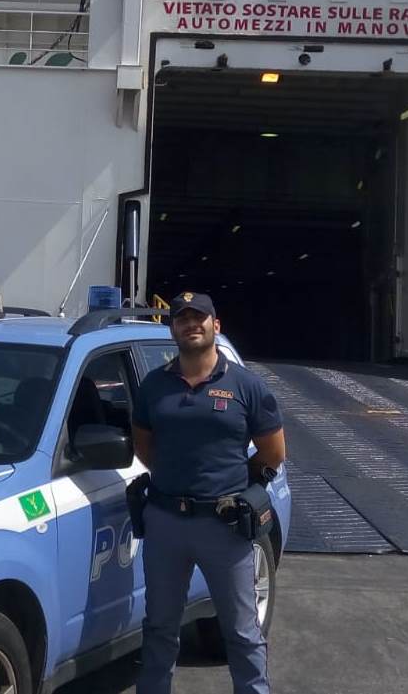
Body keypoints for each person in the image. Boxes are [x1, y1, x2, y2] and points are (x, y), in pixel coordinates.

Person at [132, 291, 286, 694]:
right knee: (160, 629)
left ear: (216, 325)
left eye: (199, 317)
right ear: (173, 329)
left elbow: (273, 453)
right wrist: (176, 479)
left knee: (240, 630)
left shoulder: (246, 386)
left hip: (224, 527)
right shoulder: (154, 386)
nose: (191, 324)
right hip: (165, 524)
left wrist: (231, 486)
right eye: (182, 318)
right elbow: (144, 446)